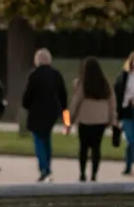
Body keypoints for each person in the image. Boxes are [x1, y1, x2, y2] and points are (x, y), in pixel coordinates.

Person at [66, 57, 117, 182]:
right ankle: (94, 175)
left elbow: (74, 104)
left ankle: (82, 174)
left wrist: (68, 121)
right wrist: (113, 120)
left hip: (85, 121)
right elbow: (112, 104)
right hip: (101, 121)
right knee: (96, 148)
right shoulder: (106, 85)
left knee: (83, 148)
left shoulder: (84, 84)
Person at [20, 49, 67, 181]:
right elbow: (63, 95)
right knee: (47, 139)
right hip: (51, 112)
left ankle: (43, 168)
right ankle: (48, 166)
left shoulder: (34, 75)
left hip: (36, 112)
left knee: (38, 140)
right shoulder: (56, 74)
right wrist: (64, 113)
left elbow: (28, 95)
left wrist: (26, 105)